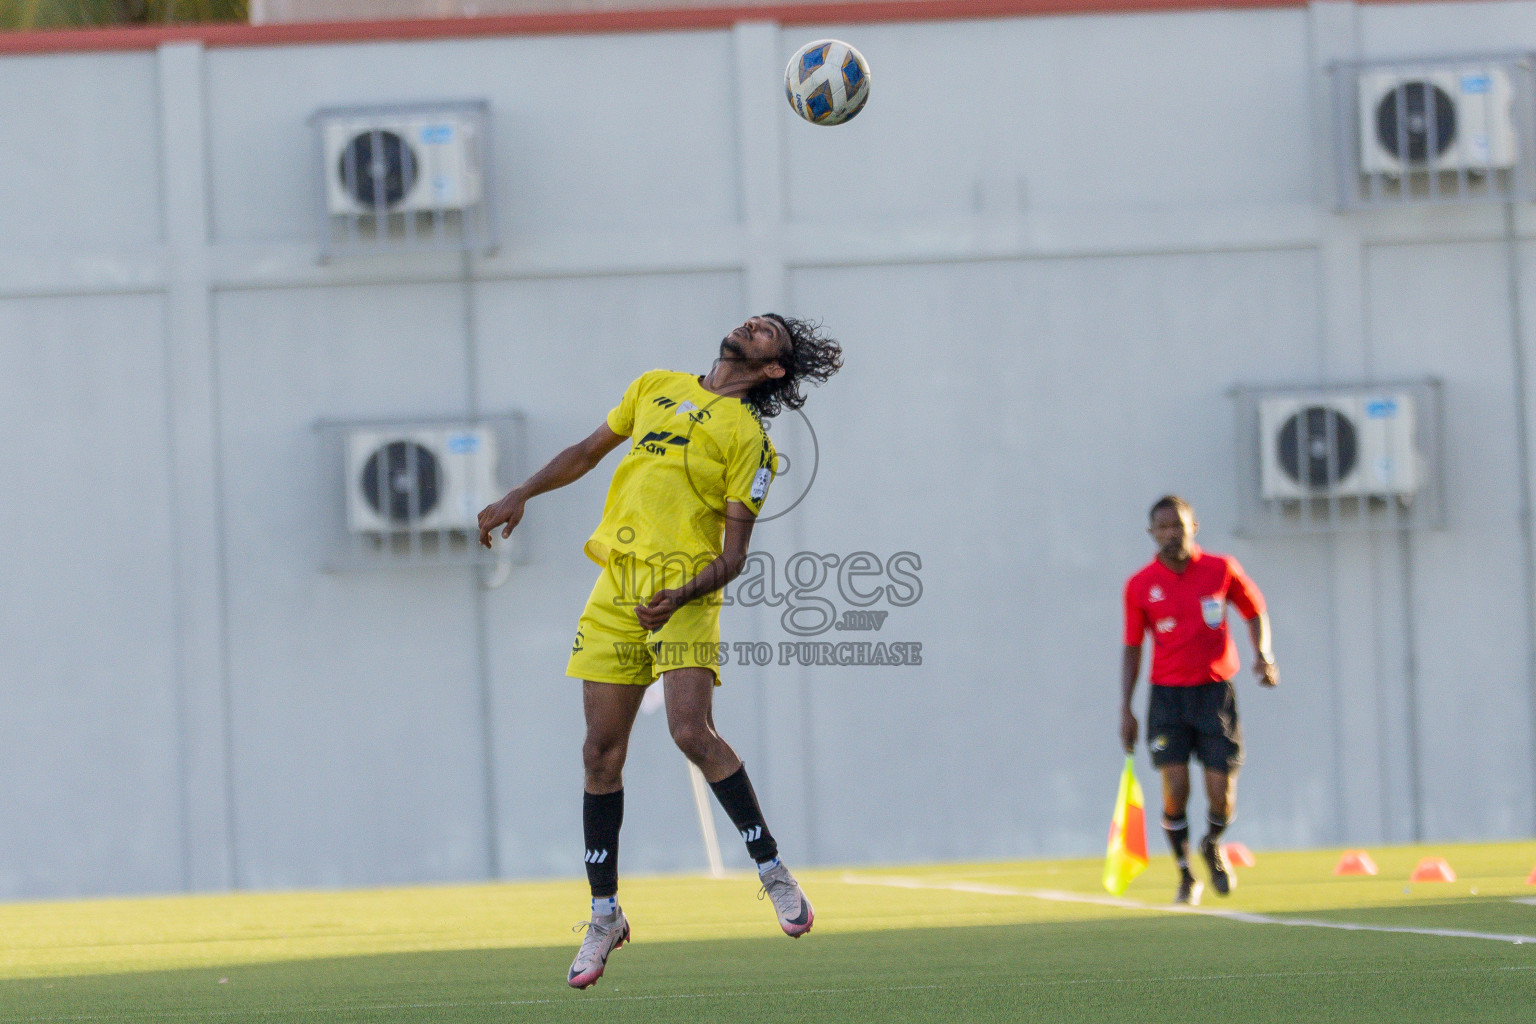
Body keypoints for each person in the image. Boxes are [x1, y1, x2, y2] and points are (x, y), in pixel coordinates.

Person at [478, 314, 843, 989]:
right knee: (599, 753)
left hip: (687, 588)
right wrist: (519, 491)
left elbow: (734, 557)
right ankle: (604, 915)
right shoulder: (655, 385)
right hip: (616, 589)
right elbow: (588, 452)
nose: (757, 323)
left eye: (772, 336)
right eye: (756, 321)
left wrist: (679, 595)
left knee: (689, 732)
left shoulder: (748, 441)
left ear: (774, 371)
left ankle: (771, 871)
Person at [1119, 495, 1278, 905]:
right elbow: (1133, 647)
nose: (1172, 533)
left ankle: (1211, 842)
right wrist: (1126, 707)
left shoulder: (1220, 570)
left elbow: (1254, 610)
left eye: (1179, 525)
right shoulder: (1140, 586)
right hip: (1167, 698)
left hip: (1214, 694)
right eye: (1163, 527)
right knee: (1175, 789)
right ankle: (1186, 874)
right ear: (1152, 533)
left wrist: (1263, 654)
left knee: (1220, 794)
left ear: (1194, 526)